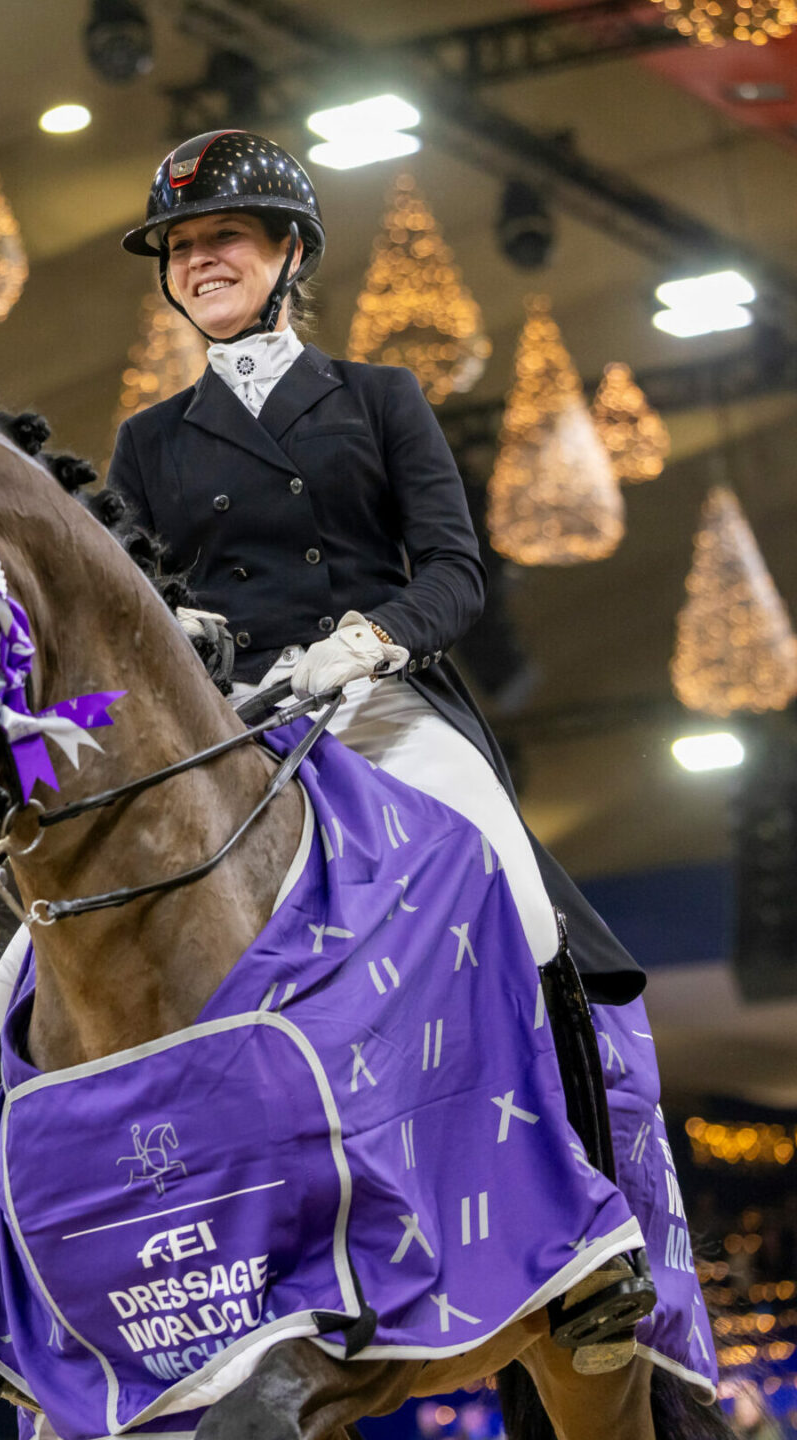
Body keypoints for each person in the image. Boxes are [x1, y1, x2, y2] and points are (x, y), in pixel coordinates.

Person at [104, 128, 643, 1000]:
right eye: (180, 247)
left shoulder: (379, 397)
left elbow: (454, 568)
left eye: (223, 237)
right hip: (231, 719)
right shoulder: (148, 439)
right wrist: (174, 626)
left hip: (376, 704)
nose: (198, 261)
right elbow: (129, 603)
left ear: (291, 249)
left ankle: (575, 1112)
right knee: (52, 939)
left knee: (522, 901)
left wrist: (374, 639)